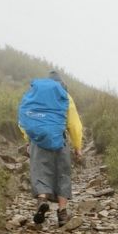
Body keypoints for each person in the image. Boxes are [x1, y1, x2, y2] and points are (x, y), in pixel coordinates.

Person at [17, 71, 83, 224]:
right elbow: (74, 125)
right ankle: (62, 213)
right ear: (61, 84)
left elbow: (23, 119)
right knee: (62, 174)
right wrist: (78, 147)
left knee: (40, 171)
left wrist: (29, 140)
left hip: (38, 141)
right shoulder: (66, 96)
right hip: (59, 139)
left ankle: (42, 201)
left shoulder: (33, 95)